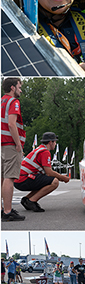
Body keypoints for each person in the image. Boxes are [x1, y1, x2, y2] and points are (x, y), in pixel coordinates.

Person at [13, 131, 69, 212]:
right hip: (23, 179)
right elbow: (49, 173)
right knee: (54, 182)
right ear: (50, 142)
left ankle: (27, 199)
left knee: (45, 181)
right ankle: (32, 201)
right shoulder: (45, 152)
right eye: (55, 142)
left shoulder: (39, 149)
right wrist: (63, 178)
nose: (55, 144)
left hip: (19, 179)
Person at [2, 78, 25, 222]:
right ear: (12, 88)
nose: (20, 90)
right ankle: (8, 211)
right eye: (19, 87)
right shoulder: (13, 102)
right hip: (10, 143)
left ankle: (2, 210)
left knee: (1, 178)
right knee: (9, 177)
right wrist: (18, 144)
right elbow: (11, 124)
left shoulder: (1, 101)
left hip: (1, 144)